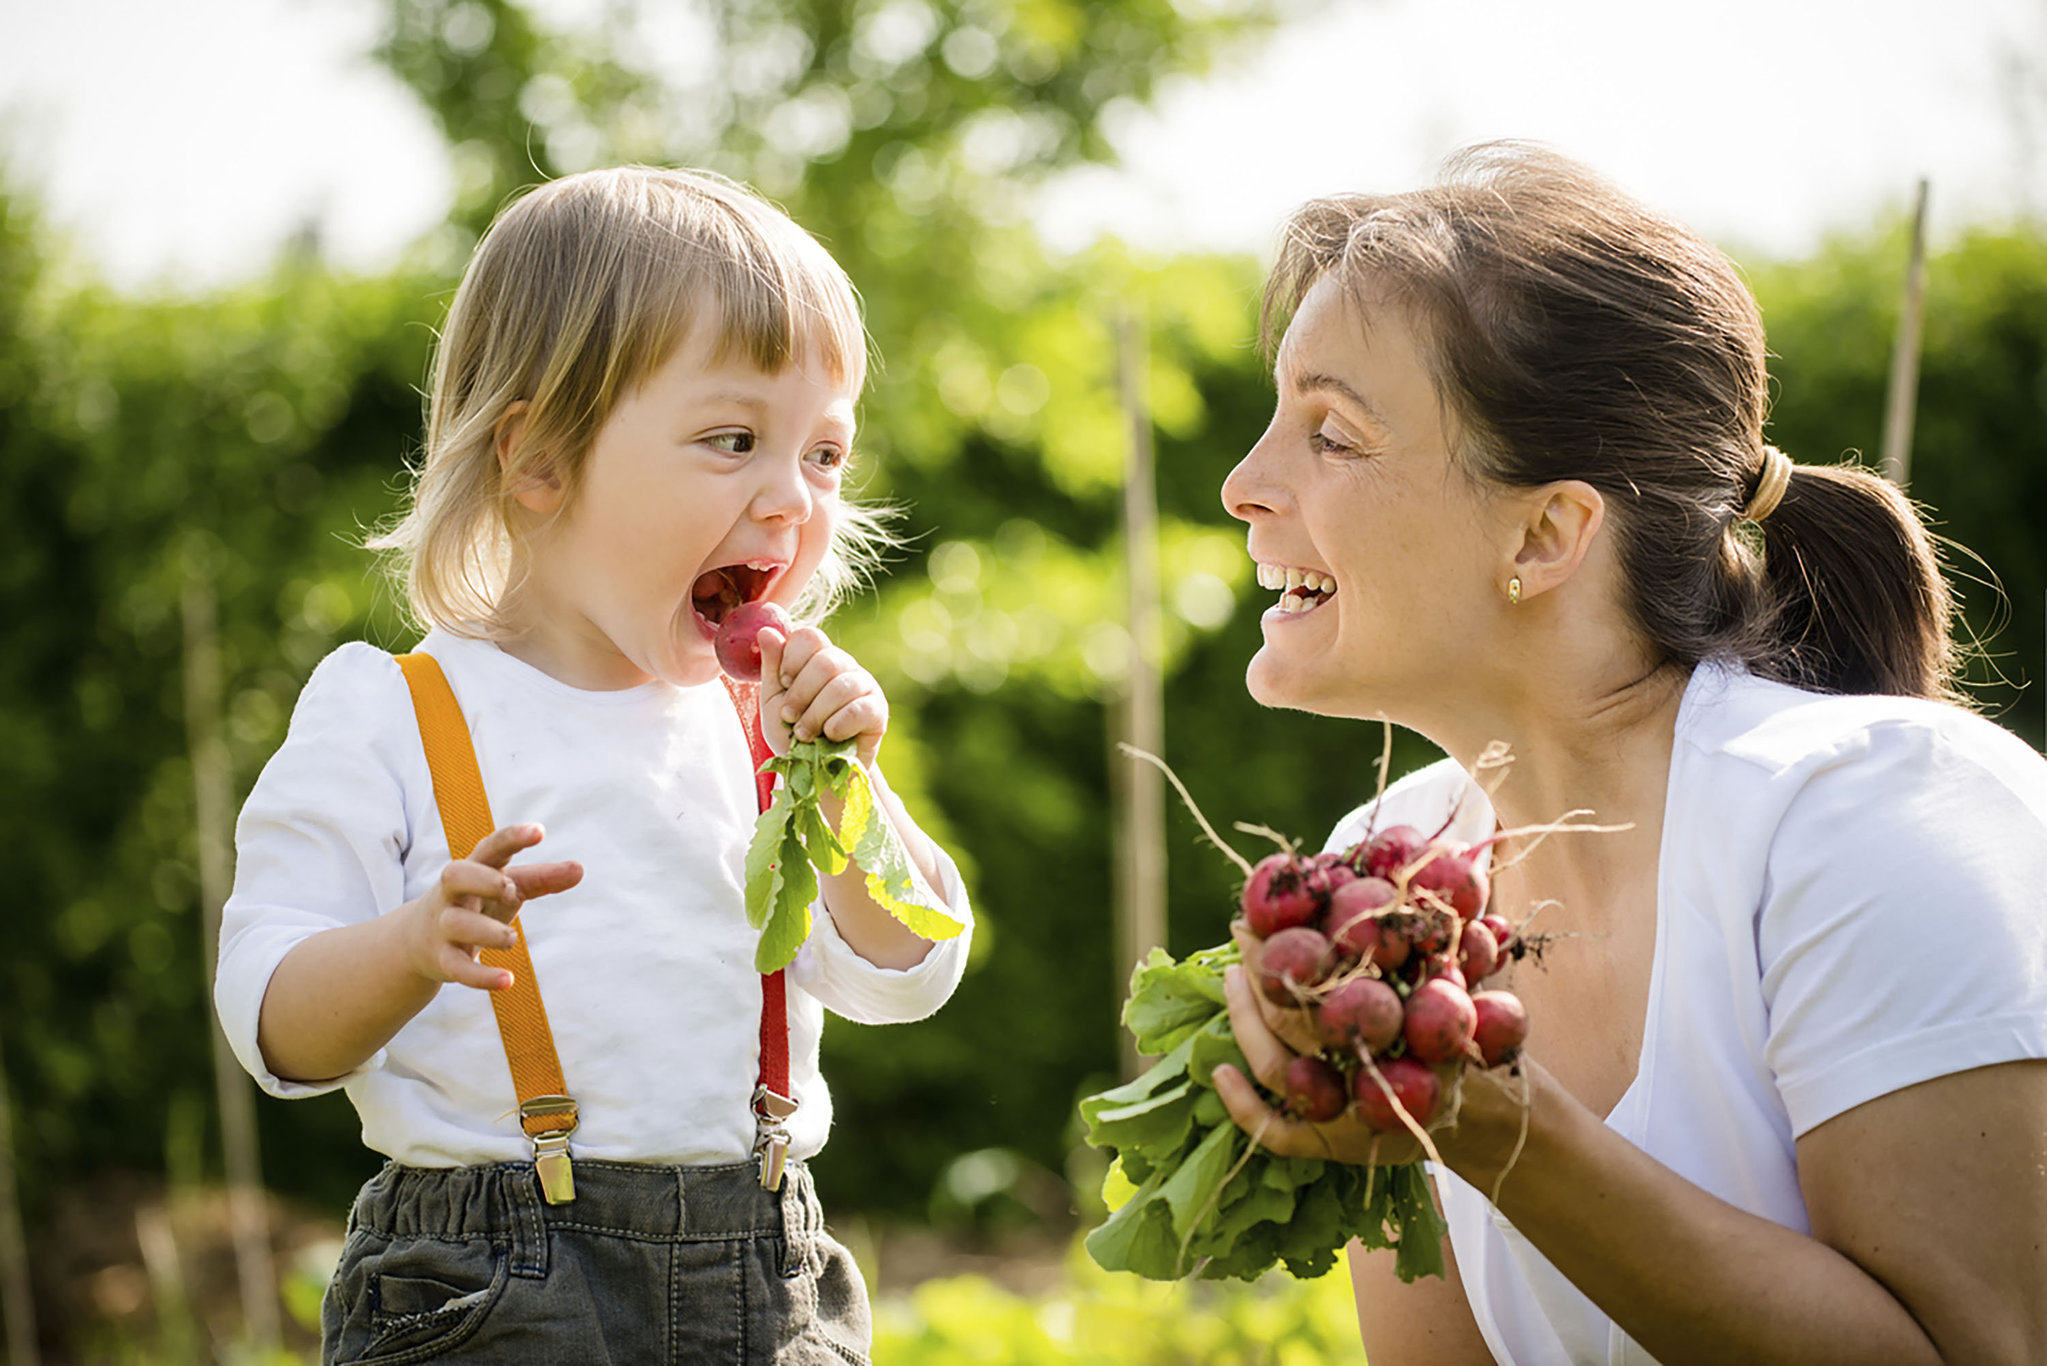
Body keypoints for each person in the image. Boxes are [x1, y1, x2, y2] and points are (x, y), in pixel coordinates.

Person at [1211, 143, 2047, 1365]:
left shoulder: (1870, 815)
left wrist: (1500, 1131)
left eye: (1332, 433)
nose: (1242, 484)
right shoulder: (1388, 880)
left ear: (1548, 532)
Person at [214, 166, 973, 1364]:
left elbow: (909, 969)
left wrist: (850, 792)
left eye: (823, 455)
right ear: (540, 462)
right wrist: (410, 948)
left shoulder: (760, 731)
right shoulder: (396, 711)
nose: (792, 501)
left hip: (766, 1277)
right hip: (487, 1288)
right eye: (733, 439)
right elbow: (272, 1022)